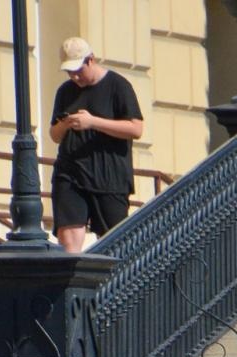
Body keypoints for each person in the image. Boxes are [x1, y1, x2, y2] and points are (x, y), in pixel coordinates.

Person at [49, 38, 144, 253]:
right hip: (70, 172)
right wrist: (65, 124)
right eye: (69, 72)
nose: (74, 76)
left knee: (113, 242)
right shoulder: (65, 91)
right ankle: (69, 284)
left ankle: (112, 286)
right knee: (68, 236)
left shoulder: (118, 86)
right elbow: (54, 135)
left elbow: (136, 128)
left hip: (109, 176)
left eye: (77, 70)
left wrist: (93, 122)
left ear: (91, 60)